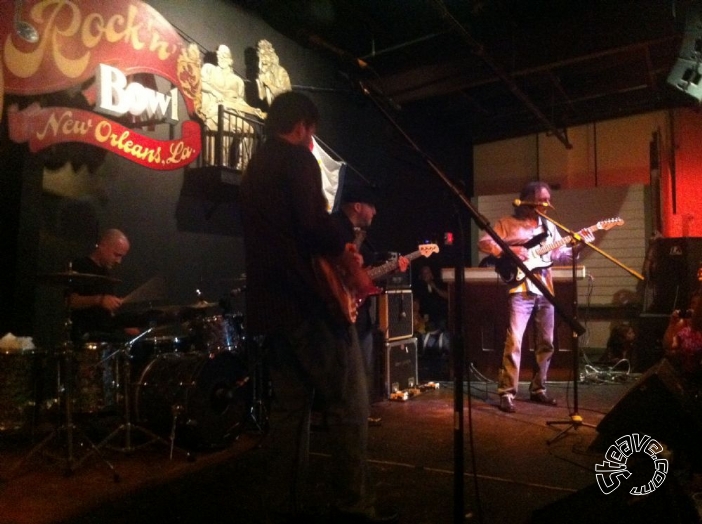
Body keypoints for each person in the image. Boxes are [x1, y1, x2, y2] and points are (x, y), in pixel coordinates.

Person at [240, 91, 397, 523]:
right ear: (304, 126)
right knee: (349, 404)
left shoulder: (255, 167)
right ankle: (354, 505)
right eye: (312, 132)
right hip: (307, 302)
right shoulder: (297, 161)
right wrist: (344, 248)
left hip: (271, 307)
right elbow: (312, 224)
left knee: (289, 412)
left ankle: (281, 506)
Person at [477, 181, 594, 413]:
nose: (547, 204)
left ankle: (539, 388)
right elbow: (484, 243)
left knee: (546, 342)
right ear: (528, 200)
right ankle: (507, 392)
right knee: (515, 341)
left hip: (545, 289)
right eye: (542, 199)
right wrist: (509, 250)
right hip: (520, 289)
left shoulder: (549, 227)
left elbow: (560, 255)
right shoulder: (507, 223)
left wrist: (579, 246)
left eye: (548, 200)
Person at [332, 184, 409, 424]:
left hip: (360, 312)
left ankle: (359, 415)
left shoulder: (363, 239)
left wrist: (390, 269)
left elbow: (366, 276)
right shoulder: (335, 230)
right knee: (349, 371)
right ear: (357, 206)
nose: (374, 212)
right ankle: (348, 420)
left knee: (361, 367)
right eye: (371, 206)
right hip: (339, 312)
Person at [68, 228, 131, 343]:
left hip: (105, 333)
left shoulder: (106, 273)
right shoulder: (81, 266)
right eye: (116, 255)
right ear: (103, 245)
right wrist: (99, 300)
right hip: (85, 335)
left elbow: (106, 313)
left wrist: (124, 324)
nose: (119, 261)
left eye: (121, 257)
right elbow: (70, 301)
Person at [412, 265, 449, 355]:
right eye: (423, 273)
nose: (426, 275)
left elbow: (448, 296)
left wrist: (435, 287)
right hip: (427, 318)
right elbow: (416, 302)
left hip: (441, 316)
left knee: (443, 337)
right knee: (428, 338)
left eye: (427, 273)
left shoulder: (438, 283)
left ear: (431, 274)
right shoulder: (419, 287)